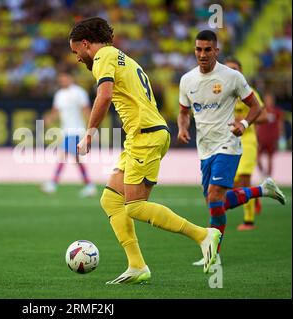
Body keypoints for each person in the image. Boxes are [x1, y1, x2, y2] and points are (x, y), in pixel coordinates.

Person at [69, 17, 222, 283]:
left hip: (146, 136)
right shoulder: (123, 58)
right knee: (111, 200)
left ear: (85, 44)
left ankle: (203, 235)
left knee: (135, 206)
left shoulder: (103, 56)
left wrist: (89, 134)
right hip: (141, 135)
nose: (78, 59)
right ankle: (137, 266)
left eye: (76, 52)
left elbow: (104, 96)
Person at [177, 30, 286, 267]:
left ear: (216, 50)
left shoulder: (232, 77)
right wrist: (182, 128)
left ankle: (213, 253)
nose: (202, 54)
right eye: (198, 49)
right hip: (204, 148)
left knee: (215, 195)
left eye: (208, 49)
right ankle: (262, 190)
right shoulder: (187, 80)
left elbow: (256, 107)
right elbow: (183, 112)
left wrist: (244, 124)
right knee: (216, 202)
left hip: (229, 143)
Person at [224, 57, 268, 230]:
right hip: (228, 142)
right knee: (232, 183)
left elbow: (263, 116)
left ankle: (248, 221)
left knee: (243, 179)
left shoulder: (248, 93)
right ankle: (255, 196)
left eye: (235, 69)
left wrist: (244, 121)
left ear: (241, 72)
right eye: (228, 69)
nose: (231, 72)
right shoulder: (221, 93)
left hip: (248, 140)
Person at [41, 71, 97, 198]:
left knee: (64, 156)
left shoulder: (79, 92)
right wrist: (48, 119)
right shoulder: (59, 94)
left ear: (70, 78)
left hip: (77, 130)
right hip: (66, 130)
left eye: (64, 78)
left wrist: (92, 129)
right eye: (61, 79)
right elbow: (56, 112)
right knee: (75, 158)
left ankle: (53, 184)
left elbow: (86, 111)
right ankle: (89, 185)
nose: (62, 81)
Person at [256, 92, 285, 178]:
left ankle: (269, 177)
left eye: (270, 99)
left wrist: (281, 136)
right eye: (267, 99)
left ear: (273, 100)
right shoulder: (261, 110)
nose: (269, 101)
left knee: (270, 158)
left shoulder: (277, 112)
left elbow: (280, 124)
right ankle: (263, 173)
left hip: (272, 137)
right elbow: (257, 124)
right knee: (257, 158)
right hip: (261, 137)